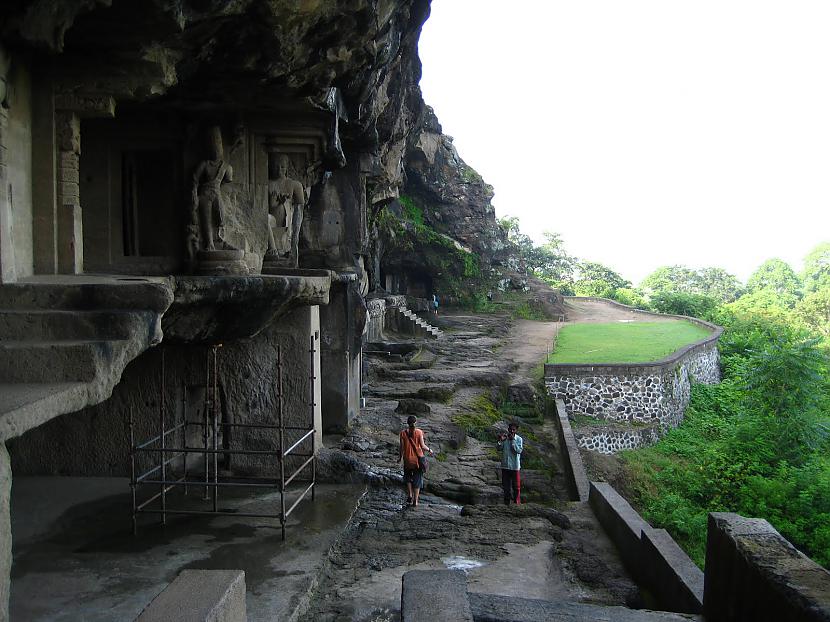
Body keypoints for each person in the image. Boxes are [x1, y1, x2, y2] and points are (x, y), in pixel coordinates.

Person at [397, 415, 433, 507]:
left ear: (407, 423)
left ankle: (409, 494)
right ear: (415, 423)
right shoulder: (419, 432)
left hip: (407, 460)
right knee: (417, 479)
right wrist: (429, 450)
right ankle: (415, 501)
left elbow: (401, 448)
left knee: (408, 477)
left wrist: (400, 458)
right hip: (417, 460)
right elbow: (422, 446)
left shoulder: (402, 433)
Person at [497, 422, 523, 505]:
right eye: (510, 429)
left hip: (515, 467)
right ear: (508, 429)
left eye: (514, 430)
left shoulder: (519, 439)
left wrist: (513, 441)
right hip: (505, 466)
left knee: (516, 487)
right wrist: (500, 441)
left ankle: (517, 503)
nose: (512, 431)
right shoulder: (505, 438)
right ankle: (506, 503)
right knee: (506, 487)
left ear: (516, 430)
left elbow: (519, 451)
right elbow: (498, 448)